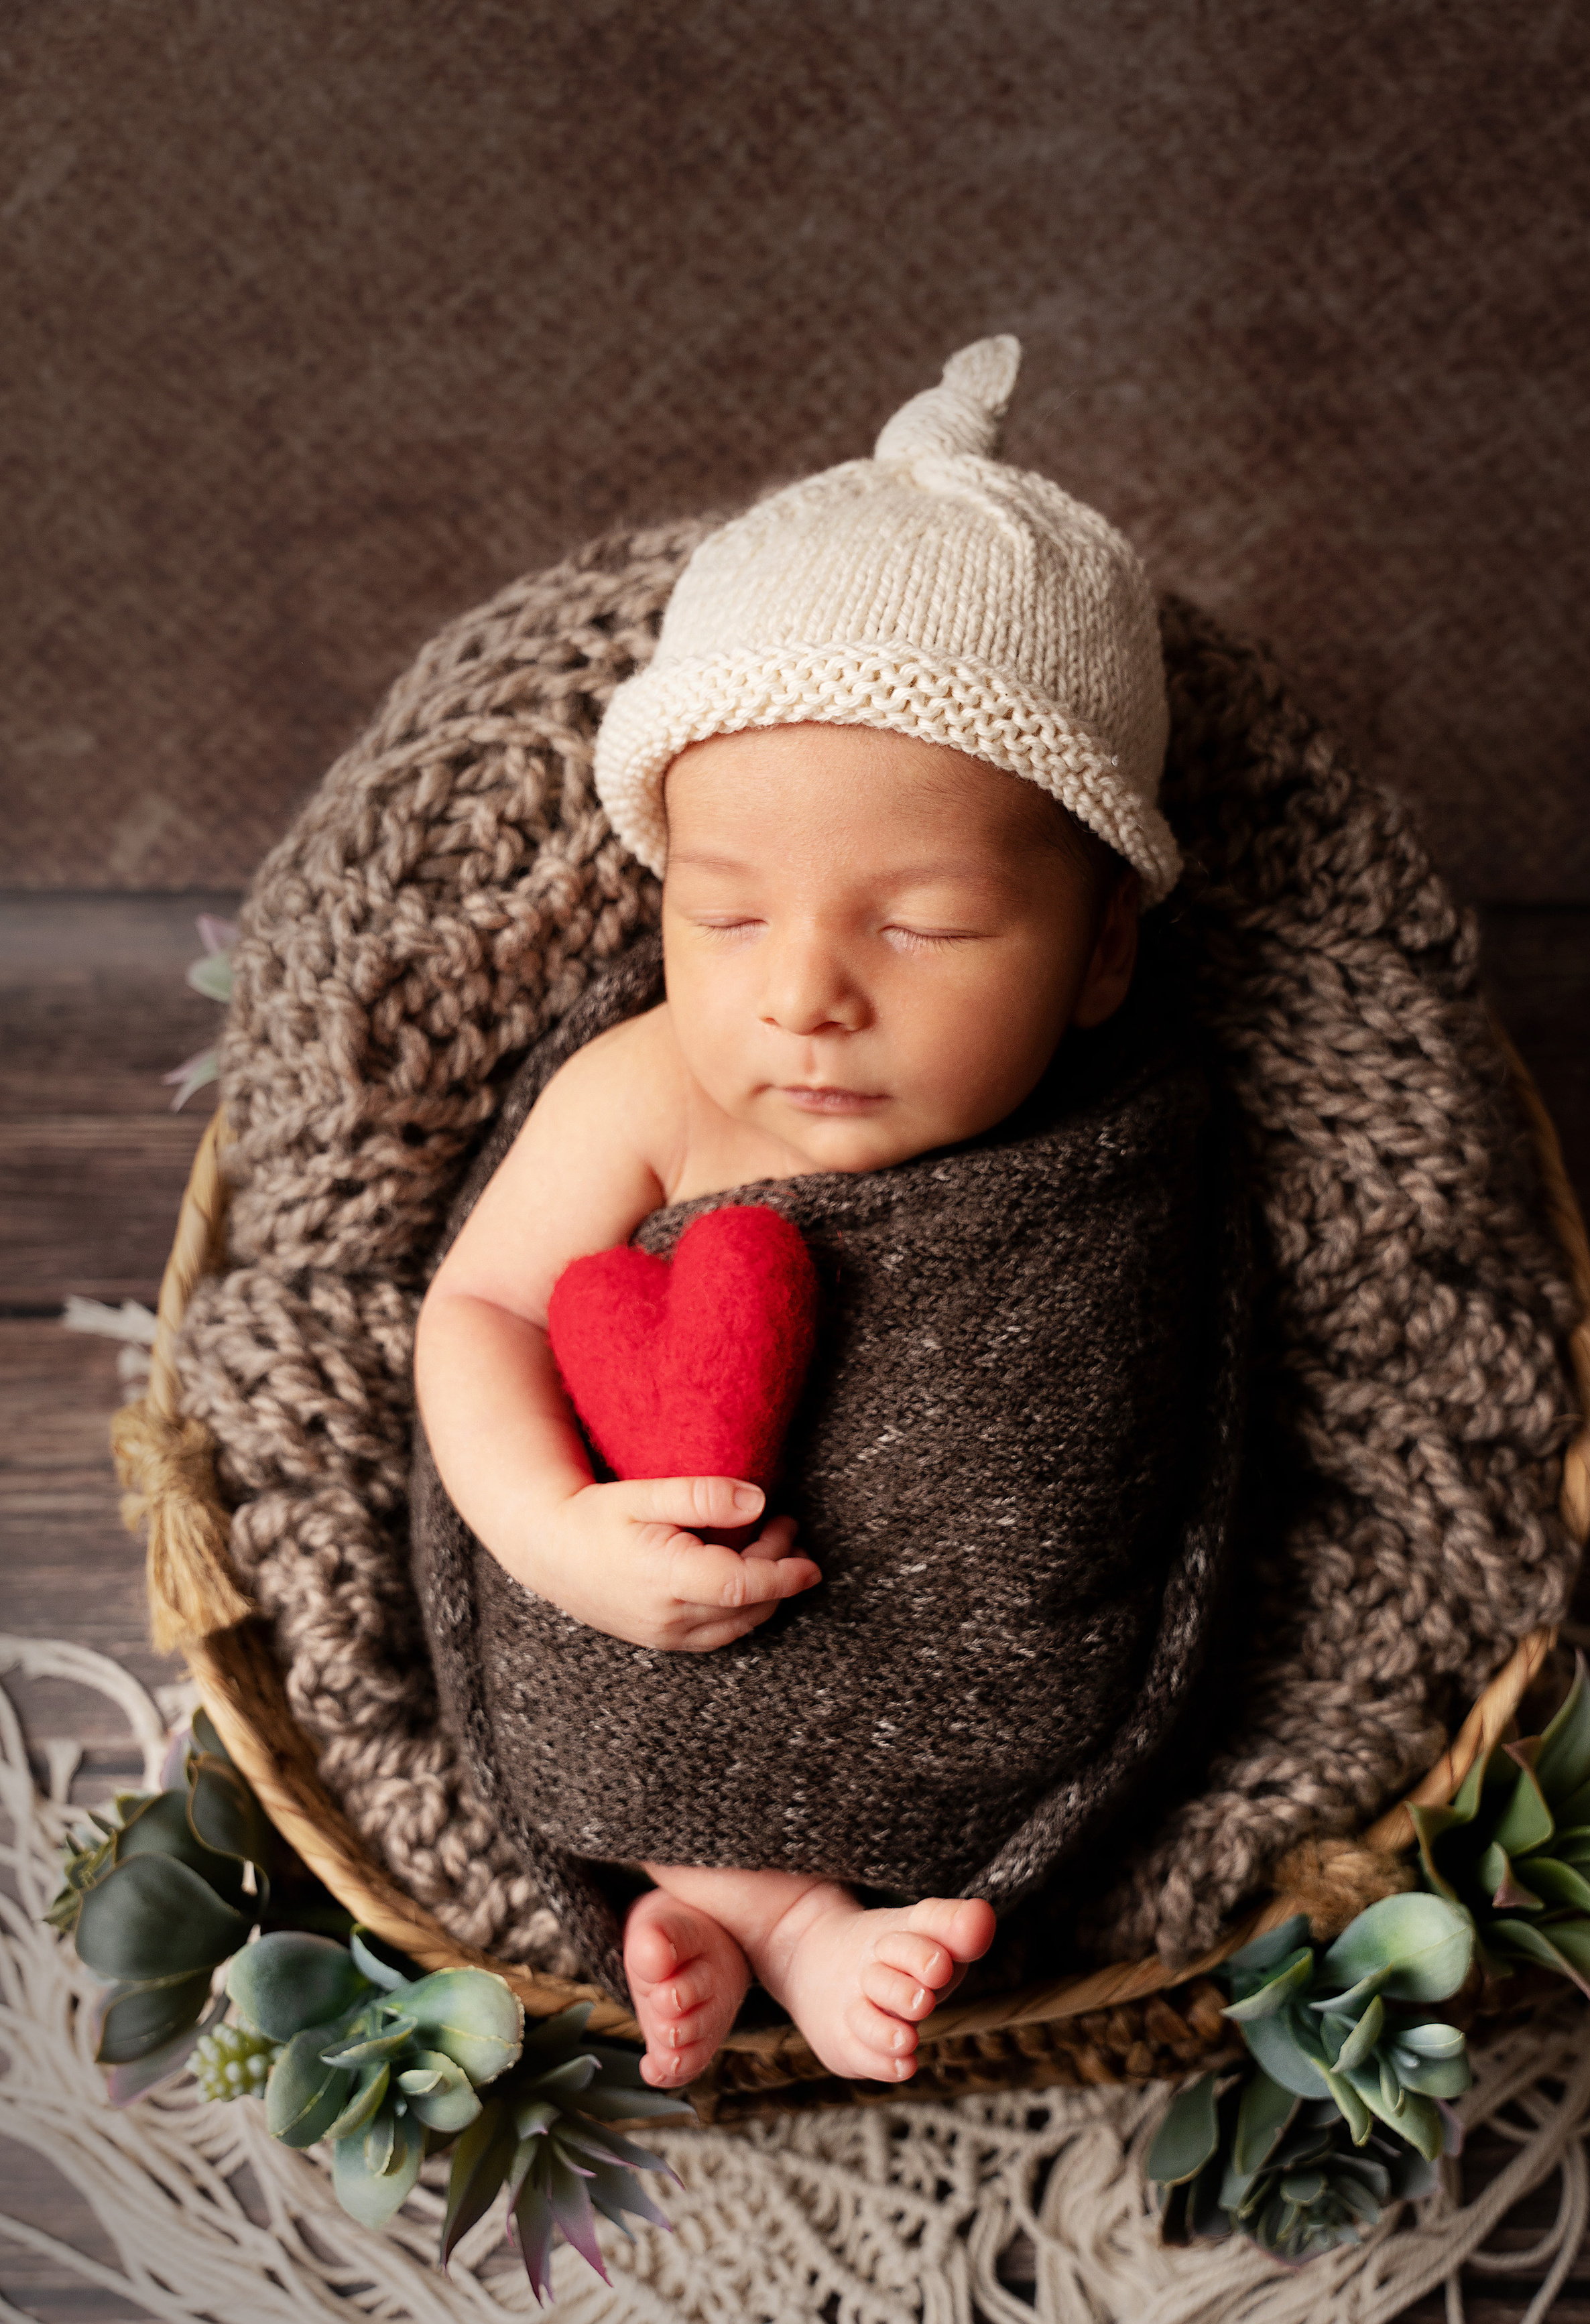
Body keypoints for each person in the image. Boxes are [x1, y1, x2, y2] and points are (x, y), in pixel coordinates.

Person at [414, 337, 1195, 2093]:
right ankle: (754, 1909)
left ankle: (803, 1908)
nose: (806, 999)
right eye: (730, 917)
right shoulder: (644, 1091)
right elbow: (479, 1314)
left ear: (1104, 954)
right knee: (650, 1668)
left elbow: (1142, 1437)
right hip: (660, 1607)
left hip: (962, 1678)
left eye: (919, 927)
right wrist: (552, 1534)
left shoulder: (1133, 1138)